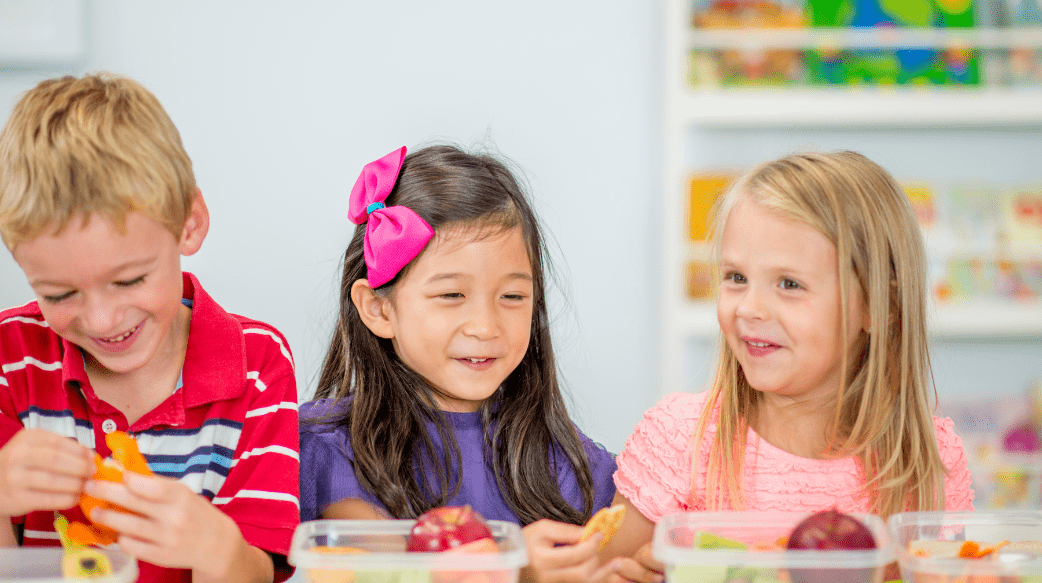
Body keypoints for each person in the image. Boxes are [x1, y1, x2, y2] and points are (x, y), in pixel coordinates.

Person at [600, 151, 974, 577]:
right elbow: (602, 573)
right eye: (736, 277)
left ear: (877, 304)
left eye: (789, 284)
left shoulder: (926, 458)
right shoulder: (681, 437)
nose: (751, 307)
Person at [0, 73, 299, 583]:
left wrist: (219, 549)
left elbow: (256, 569)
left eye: (129, 279)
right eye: (59, 294)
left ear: (189, 223)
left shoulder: (257, 363)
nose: (101, 320)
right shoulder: (11, 357)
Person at [299, 144, 640, 582]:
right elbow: (391, 573)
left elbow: (630, 540)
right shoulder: (330, 450)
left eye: (512, 296)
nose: (485, 326)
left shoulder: (560, 455)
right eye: (452, 295)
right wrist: (514, 570)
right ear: (379, 309)